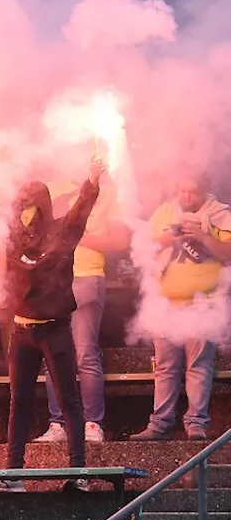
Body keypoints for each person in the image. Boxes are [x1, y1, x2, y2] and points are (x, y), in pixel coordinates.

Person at [0, 144, 102, 493]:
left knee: (69, 400)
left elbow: (83, 208)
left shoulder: (63, 232)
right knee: (20, 402)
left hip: (55, 329)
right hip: (22, 331)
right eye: (22, 208)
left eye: (32, 208)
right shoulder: (12, 231)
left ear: (43, 208)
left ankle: (78, 474)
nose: (25, 216)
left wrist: (93, 176)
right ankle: (14, 476)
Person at [131, 175, 231, 442]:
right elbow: (142, 249)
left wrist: (203, 236)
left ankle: (196, 424)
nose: (186, 197)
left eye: (192, 191)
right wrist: (167, 239)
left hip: (204, 303)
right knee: (165, 366)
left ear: (205, 189)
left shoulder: (221, 215)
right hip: (165, 303)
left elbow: (228, 253)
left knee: (198, 365)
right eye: (182, 190)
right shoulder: (165, 212)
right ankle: (160, 423)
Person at [33, 179, 128, 445]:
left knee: (85, 353)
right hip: (54, 282)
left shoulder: (107, 196)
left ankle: (92, 423)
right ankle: (58, 424)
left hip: (87, 277)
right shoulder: (56, 198)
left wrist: (79, 234)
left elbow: (120, 240)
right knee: (52, 355)